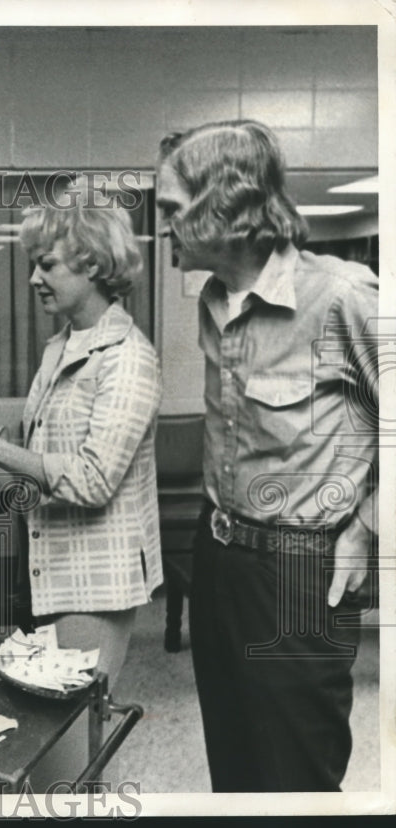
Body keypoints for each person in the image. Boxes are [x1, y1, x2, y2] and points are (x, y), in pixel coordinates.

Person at [156, 119, 378, 792]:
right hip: (219, 558)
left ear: (220, 204)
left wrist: (368, 524)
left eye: (171, 209)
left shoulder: (342, 297)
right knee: (236, 767)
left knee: (294, 778)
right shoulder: (214, 298)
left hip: (297, 574)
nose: (162, 225)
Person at [0, 186, 163, 690]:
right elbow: (45, 457)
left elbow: (93, 481)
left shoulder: (128, 357)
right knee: (56, 735)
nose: (33, 278)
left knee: (74, 738)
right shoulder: (62, 346)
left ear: (92, 264)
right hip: (49, 567)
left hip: (94, 585)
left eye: (47, 265)